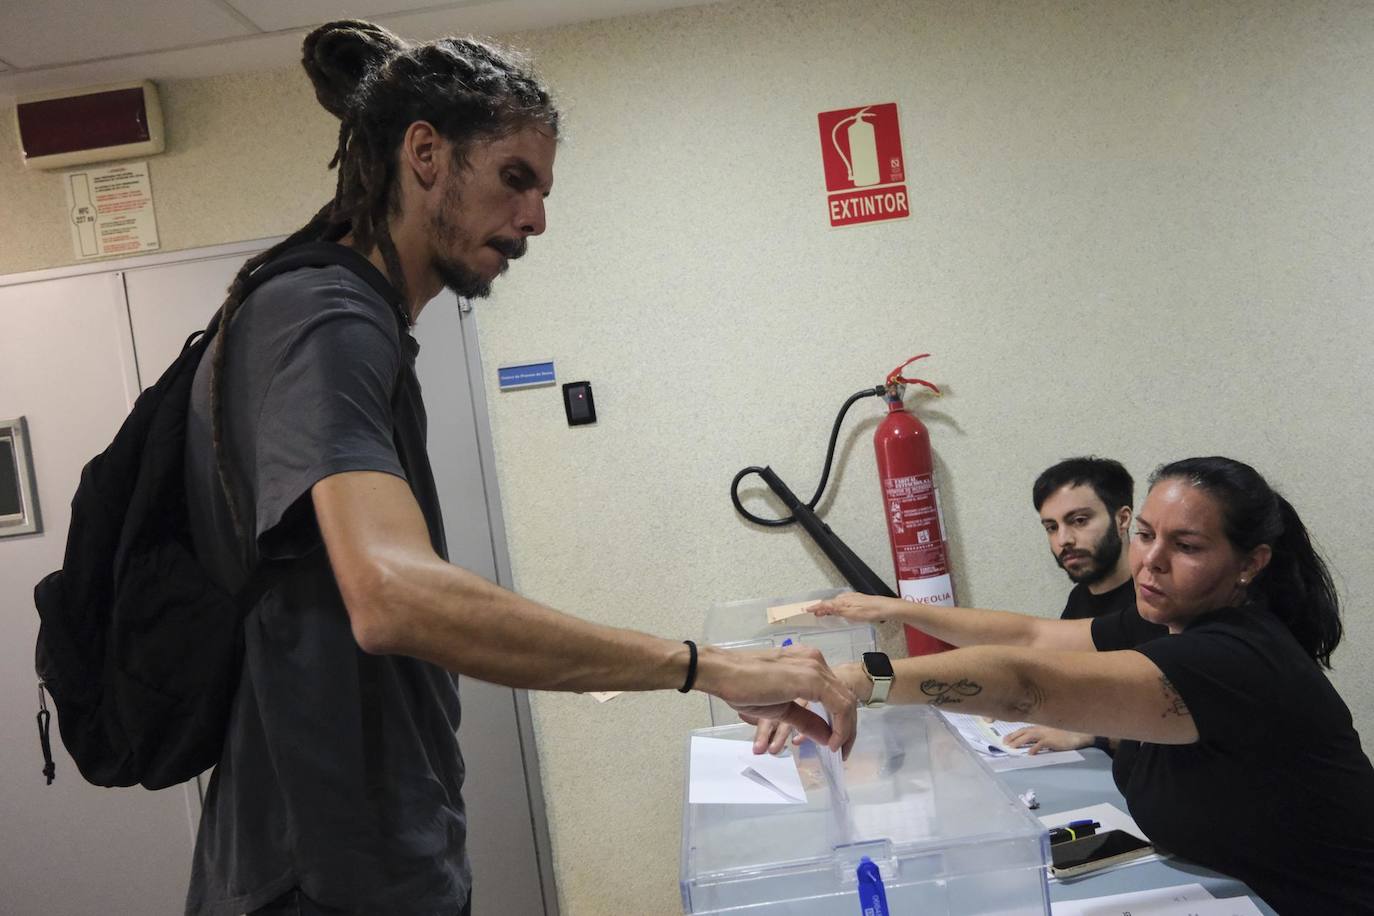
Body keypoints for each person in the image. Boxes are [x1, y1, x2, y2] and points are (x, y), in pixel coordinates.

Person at [182, 21, 856, 916]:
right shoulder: (325, 318)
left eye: (541, 190)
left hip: (369, 851)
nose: (536, 217)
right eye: (514, 178)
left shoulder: (356, 320)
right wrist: (705, 666)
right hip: (322, 873)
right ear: (426, 154)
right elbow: (393, 597)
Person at [771, 457, 1374, 914]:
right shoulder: (1164, 615)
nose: (1151, 560)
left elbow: (1025, 685)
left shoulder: (1235, 657)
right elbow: (1032, 638)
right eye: (1146, 535)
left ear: (1251, 562)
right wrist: (895, 610)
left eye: (1186, 546)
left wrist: (852, 681)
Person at [1006, 457, 1166, 753]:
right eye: (1051, 527)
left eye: (1079, 521)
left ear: (1122, 520)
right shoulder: (1079, 598)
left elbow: (1171, 716)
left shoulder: (1156, 601)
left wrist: (1091, 735)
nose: (1063, 540)